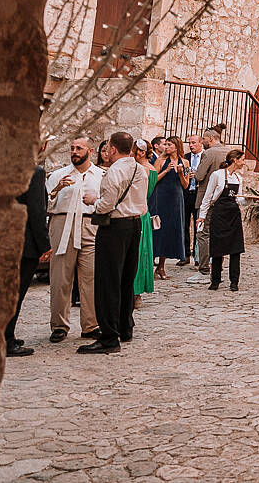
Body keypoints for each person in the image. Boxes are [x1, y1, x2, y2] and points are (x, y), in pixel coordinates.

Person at [79, 131, 147, 354]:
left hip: (115, 227)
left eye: (108, 147)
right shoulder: (140, 168)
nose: (106, 151)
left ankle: (109, 336)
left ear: (113, 149)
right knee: (127, 278)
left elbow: (106, 204)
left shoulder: (114, 172)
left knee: (108, 281)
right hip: (136, 225)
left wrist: (92, 201)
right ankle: (125, 326)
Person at [46, 137, 102, 341]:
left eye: (79, 148)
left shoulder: (100, 176)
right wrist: (58, 189)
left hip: (89, 225)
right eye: (72, 148)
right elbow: (47, 203)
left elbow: (105, 203)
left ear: (90, 151)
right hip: (63, 225)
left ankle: (90, 324)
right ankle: (59, 325)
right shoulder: (58, 175)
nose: (75, 151)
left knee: (91, 277)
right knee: (61, 277)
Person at [6, 160, 50, 357]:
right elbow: (36, 211)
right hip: (24, 242)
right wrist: (45, 245)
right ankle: (6, 340)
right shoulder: (34, 172)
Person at [199, 148, 247, 292]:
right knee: (217, 249)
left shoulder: (239, 178)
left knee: (235, 250)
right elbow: (208, 197)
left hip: (234, 216)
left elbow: (239, 200)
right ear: (235, 160)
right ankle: (215, 280)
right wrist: (202, 215)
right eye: (242, 159)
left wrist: (249, 200)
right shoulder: (217, 175)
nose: (243, 163)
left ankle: (234, 281)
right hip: (219, 215)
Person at [188, 130, 230, 283]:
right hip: (223, 199)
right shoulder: (228, 151)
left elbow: (199, 176)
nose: (203, 141)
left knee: (203, 233)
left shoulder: (209, 153)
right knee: (218, 233)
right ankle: (217, 267)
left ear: (211, 138)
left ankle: (204, 268)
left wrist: (194, 174)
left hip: (207, 196)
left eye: (204, 138)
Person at [150, 136, 188, 279]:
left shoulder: (185, 162)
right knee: (158, 230)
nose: (166, 147)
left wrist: (180, 173)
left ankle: (161, 266)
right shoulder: (160, 161)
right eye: (165, 144)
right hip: (160, 198)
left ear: (176, 146)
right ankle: (151, 263)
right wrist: (166, 171)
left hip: (176, 198)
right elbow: (152, 180)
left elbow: (185, 185)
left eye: (169, 144)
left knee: (170, 231)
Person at [132, 139, 158, 301]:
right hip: (144, 212)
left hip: (136, 212)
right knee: (142, 252)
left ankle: (134, 289)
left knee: (136, 253)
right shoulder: (152, 169)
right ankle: (137, 292)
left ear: (141, 152)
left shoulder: (140, 170)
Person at [181, 133, 202, 264]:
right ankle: (185, 254)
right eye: (190, 143)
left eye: (194, 143)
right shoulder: (186, 158)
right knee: (184, 224)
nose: (191, 145)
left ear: (200, 143)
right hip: (186, 192)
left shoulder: (204, 157)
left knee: (197, 225)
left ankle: (197, 255)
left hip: (198, 193)